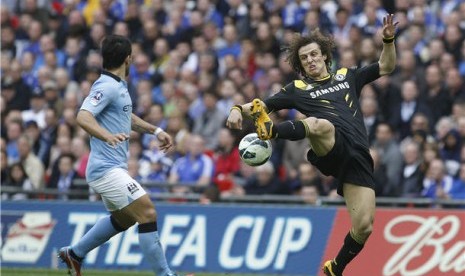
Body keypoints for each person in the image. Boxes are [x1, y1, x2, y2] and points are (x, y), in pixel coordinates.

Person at [226, 14, 398, 276]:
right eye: (304, 58)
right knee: (320, 124)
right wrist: (238, 108)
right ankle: (272, 130)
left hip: (358, 157)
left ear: (325, 55)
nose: (310, 60)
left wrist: (387, 40)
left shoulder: (347, 75)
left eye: (314, 54)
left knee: (364, 227)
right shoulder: (297, 88)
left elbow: (386, 66)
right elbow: (262, 105)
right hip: (328, 147)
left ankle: (335, 268)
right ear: (300, 64)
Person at [58, 35, 181, 276]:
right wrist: (106, 135)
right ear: (129, 59)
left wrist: (155, 131)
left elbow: (127, 117)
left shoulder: (117, 86)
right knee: (147, 212)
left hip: (112, 167)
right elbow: (83, 116)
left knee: (124, 220)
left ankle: (74, 253)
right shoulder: (106, 86)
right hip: (105, 169)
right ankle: (166, 274)